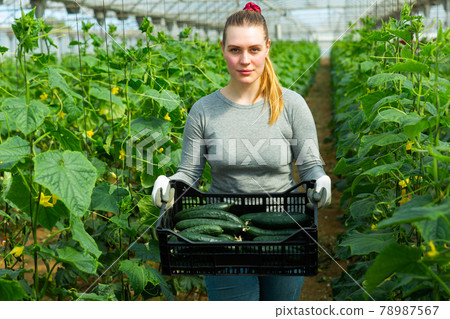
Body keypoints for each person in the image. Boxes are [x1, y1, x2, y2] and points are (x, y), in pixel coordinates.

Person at [151, 2, 331, 301]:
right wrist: (171, 185)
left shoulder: (292, 105)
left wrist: (320, 180)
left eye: (254, 49)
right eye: (235, 50)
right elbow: (190, 173)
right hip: (220, 232)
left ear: (267, 48)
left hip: (284, 227)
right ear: (222, 49)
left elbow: (310, 165)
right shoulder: (204, 110)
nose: (244, 60)